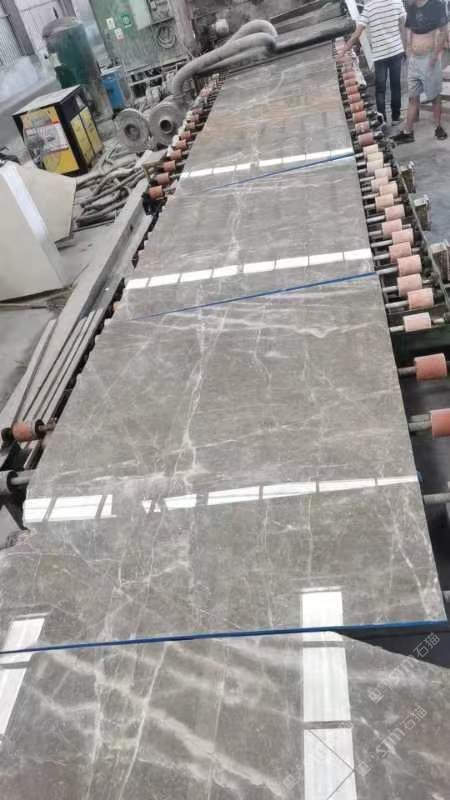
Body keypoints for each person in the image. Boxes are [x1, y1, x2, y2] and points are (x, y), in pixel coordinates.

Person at [342, 0, 406, 124]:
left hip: (380, 55)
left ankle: (382, 120)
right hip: (396, 50)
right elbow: (403, 25)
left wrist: (344, 50)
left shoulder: (369, 7)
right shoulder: (397, 2)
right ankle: (396, 118)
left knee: (380, 90)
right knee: (395, 86)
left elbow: (357, 33)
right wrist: (405, 47)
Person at [394, 0, 448, 142]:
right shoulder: (411, 7)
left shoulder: (436, 5)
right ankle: (408, 132)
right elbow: (409, 29)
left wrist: (435, 55)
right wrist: (408, 49)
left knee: (434, 97)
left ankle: (438, 127)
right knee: (413, 97)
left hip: (429, 60)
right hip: (414, 60)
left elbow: (443, 31)